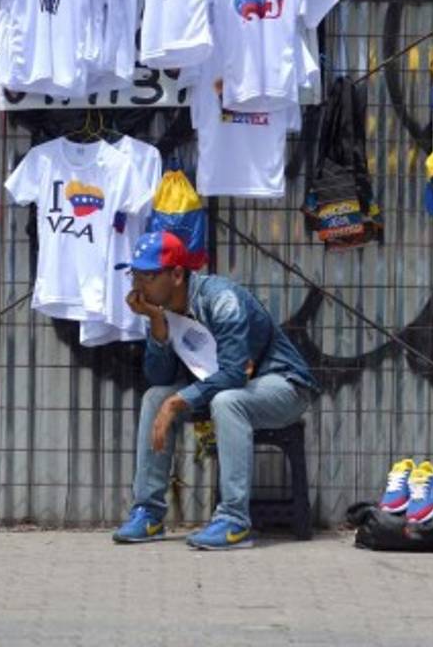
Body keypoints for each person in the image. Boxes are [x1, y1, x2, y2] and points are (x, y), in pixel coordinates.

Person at [111, 230, 317, 549]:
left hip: (283, 385)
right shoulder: (160, 307)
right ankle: (148, 513)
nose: (137, 286)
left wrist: (179, 401)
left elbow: (234, 373)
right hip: (224, 387)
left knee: (226, 401)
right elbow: (159, 376)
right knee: (155, 398)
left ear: (176, 275)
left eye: (147, 277)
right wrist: (156, 322)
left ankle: (235, 522)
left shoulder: (221, 299)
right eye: (134, 275)